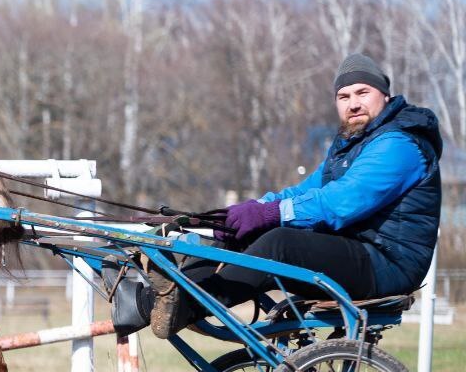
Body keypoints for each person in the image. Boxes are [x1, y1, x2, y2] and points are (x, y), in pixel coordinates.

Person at [114, 53, 443, 338]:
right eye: (343, 96)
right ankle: (158, 298)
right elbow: (306, 191)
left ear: (385, 96)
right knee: (240, 232)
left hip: (387, 264)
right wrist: (250, 211)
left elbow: (341, 203)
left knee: (281, 243)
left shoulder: (400, 145)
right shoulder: (353, 146)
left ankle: (178, 306)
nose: (353, 103)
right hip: (358, 250)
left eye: (362, 92)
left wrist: (271, 215)